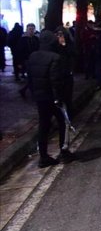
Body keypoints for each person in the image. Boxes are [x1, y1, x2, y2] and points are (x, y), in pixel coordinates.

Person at [26, 30, 72, 168]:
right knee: (63, 122)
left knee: (43, 125)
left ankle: (43, 156)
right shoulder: (54, 57)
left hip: (40, 97)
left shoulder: (33, 56)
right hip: (52, 97)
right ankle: (64, 151)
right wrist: (59, 98)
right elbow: (55, 80)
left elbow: (30, 78)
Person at [17, 23, 40, 97]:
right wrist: (20, 62)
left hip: (35, 60)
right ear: (27, 30)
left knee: (33, 77)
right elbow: (19, 52)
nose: (31, 31)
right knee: (31, 77)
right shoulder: (23, 40)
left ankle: (24, 90)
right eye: (30, 29)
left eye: (32, 29)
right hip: (27, 60)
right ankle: (31, 92)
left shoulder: (36, 39)